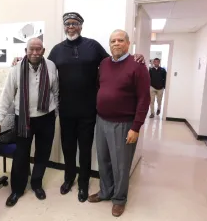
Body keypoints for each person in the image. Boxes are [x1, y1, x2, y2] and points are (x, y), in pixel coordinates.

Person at [47, 12, 145, 202]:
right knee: (68, 148)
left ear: (81, 26)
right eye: (67, 24)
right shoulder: (57, 50)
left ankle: (83, 184)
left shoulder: (92, 46)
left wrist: (136, 57)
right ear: (64, 26)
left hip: (89, 111)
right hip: (66, 110)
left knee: (85, 149)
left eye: (75, 23)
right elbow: (44, 66)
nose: (71, 27)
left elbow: (116, 61)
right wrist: (21, 60)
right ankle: (69, 179)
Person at [88, 29, 150, 217]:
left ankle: (119, 199)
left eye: (120, 40)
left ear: (128, 43)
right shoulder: (104, 64)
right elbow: (101, 87)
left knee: (121, 165)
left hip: (124, 124)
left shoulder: (138, 66)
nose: (116, 43)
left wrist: (136, 127)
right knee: (104, 160)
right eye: (113, 40)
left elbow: (144, 99)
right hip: (102, 120)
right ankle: (106, 192)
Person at [0, 38, 59, 207]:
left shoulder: (51, 66)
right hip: (23, 118)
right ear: (25, 50)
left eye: (38, 49)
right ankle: (17, 189)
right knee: (21, 155)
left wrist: (55, 112)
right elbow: (6, 96)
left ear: (43, 51)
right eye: (31, 49)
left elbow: (56, 92)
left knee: (43, 153)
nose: (35, 53)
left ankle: (36, 184)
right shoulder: (16, 69)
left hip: (46, 117)